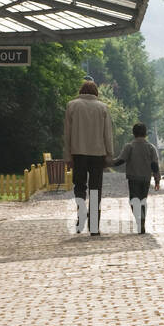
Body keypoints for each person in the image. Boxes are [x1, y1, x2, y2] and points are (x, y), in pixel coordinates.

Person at [63, 80, 114, 235]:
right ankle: (94, 226)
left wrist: (67, 156)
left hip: (78, 152)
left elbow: (67, 134)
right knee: (95, 188)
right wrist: (109, 154)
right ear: (95, 92)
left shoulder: (72, 106)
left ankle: (81, 212)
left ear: (81, 90)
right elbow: (107, 134)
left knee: (79, 185)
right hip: (98, 153)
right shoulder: (103, 108)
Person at [111, 123, 162, 234]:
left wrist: (108, 163)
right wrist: (157, 180)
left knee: (134, 201)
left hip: (133, 178)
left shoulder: (129, 146)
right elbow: (154, 165)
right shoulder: (151, 147)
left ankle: (139, 221)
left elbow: (120, 160)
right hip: (146, 179)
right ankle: (142, 222)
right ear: (145, 134)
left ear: (133, 133)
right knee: (143, 200)